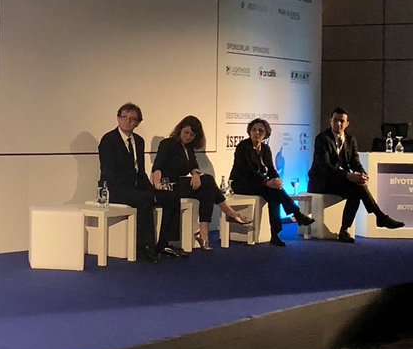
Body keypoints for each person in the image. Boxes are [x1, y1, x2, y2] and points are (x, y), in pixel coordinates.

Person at [98, 102, 187, 262]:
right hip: (114, 189)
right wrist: (143, 192)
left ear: (138, 123)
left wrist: (152, 188)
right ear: (118, 118)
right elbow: (109, 172)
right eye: (124, 117)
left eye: (132, 119)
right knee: (145, 198)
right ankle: (145, 248)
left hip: (136, 187)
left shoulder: (138, 141)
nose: (127, 121)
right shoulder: (108, 140)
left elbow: (140, 171)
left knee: (171, 196)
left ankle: (164, 243)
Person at [151, 115, 249, 251]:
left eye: (192, 135)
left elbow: (193, 164)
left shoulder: (188, 148)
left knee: (207, 191)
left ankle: (204, 235)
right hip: (168, 185)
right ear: (180, 130)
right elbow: (157, 167)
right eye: (186, 132)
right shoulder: (168, 143)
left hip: (179, 183)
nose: (188, 137)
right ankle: (229, 213)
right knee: (208, 180)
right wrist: (157, 184)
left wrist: (196, 174)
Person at [307, 107, 405, 242]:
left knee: (357, 188)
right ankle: (378, 217)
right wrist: (348, 176)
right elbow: (325, 167)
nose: (338, 124)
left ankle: (347, 229)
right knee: (357, 188)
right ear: (330, 121)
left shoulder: (350, 140)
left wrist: (363, 174)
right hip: (322, 181)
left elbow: (355, 163)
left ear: (347, 123)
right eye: (335, 120)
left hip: (338, 180)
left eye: (342, 121)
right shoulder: (322, 138)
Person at [229, 118, 314, 246]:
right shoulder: (243, 147)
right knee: (273, 191)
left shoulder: (265, 148)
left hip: (258, 183)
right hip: (240, 183)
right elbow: (248, 170)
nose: (257, 133)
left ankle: (275, 234)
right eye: (254, 130)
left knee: (274, 194)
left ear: (266, 134)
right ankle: (297, 215)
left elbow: (271, 169)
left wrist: (277, 180)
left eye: (260, 130)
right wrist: (266, 182)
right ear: (249, 131)